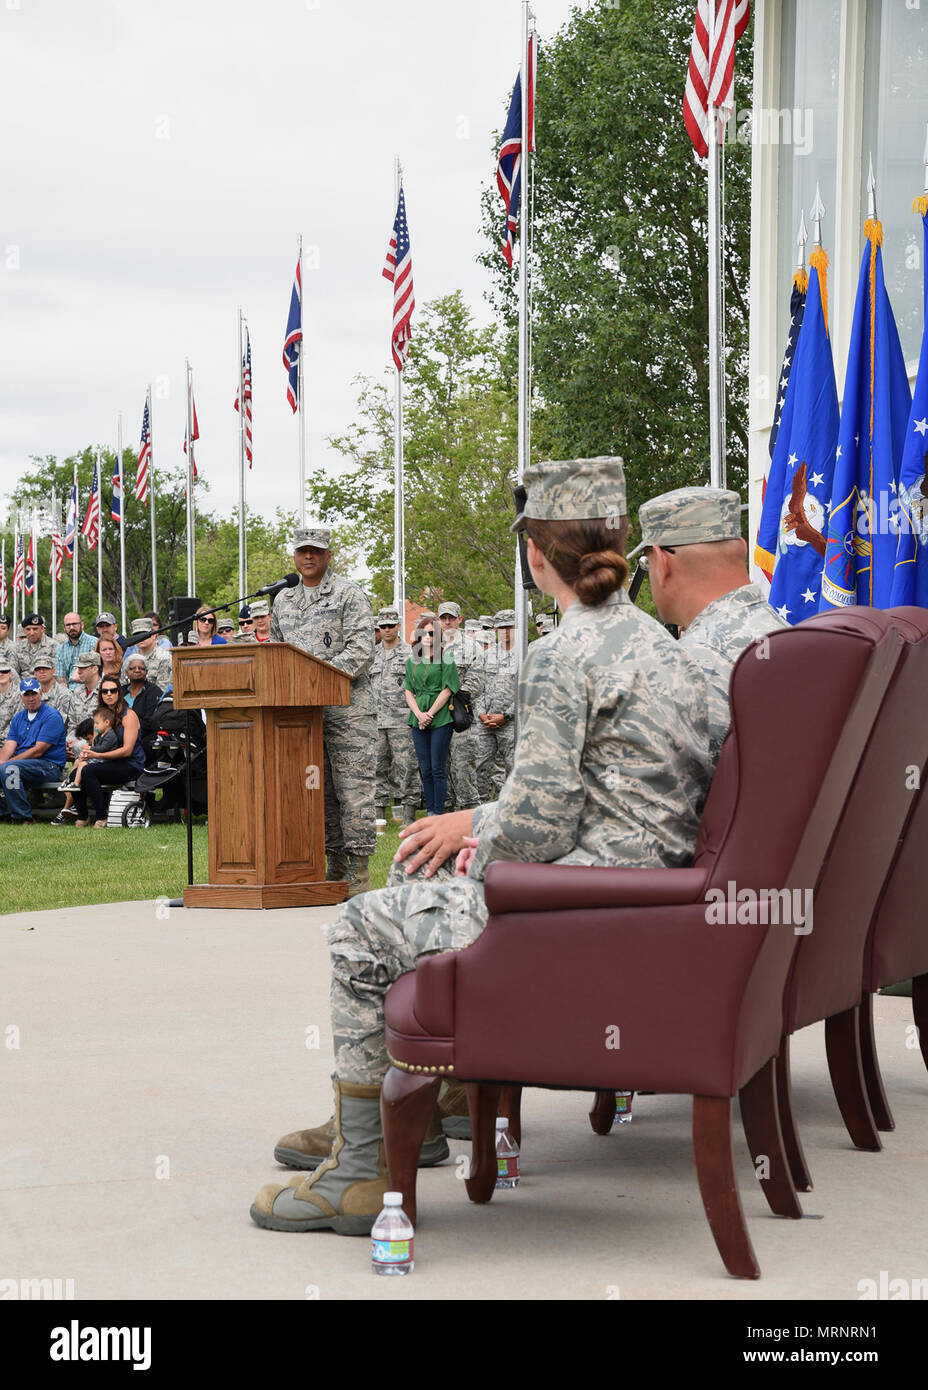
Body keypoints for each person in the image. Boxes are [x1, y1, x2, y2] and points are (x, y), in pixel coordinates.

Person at [250, 455, 714, 1236]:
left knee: (361, 924)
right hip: (641, 903)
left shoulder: (565, 654)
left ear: (536, 552)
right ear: (621, 541)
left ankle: (363, 1172)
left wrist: (478, 840)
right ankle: (426, 1116)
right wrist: (478, 830)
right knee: (421, 865)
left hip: (578, 912)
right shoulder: (660, 643)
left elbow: (536, 829)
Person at [631, 486, 789, 760]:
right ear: (741, 547)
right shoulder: (786, 633)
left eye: (648, 561)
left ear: (663, 563)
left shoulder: (687, 668)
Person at [269, 525, 377, 897]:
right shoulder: (283, 600)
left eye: (316, 551)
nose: (309, 557)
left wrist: (319, 679)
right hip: (304, 717)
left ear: (328, 555)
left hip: (349, 713)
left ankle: (359, 871)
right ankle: (333, 866)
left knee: (353, 792)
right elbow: (277, 653)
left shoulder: (349, 595)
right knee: (319, 791)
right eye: (303, 551)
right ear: (295, 557)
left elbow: (362, 650)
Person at [404, 614, 459, 819]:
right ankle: (429, 812)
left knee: (438, 768)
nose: (427, 637)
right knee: (425, 768)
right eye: (423, 633)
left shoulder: (446, 659)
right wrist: (419, 714)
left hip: (440, 717)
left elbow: (448, 689)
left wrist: (430, 714)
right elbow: (408, 690)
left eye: (432, 633)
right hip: (418, 718)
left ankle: (438, 812)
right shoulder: (412, 661)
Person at [71, 678, 144, 828]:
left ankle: (101, 816)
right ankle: (83, 816)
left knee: (89, 771)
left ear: (119, 693)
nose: (109, 694)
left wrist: (97, 756)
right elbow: (96, 745)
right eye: (105, 691)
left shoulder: (129, 715)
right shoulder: (99, 717)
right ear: (101, 694)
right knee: (74, 775)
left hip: (130, 763)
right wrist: (86, 755)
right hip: (108, 762)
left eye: (113, 690)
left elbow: (127, 750)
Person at [371, 606, 418, 826]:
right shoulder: (371, 654)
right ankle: (379, 815)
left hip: (402, 721)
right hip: (377, 721)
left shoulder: (410, 654)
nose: (387, 630)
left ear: (398, 626)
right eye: (383, 626)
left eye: (391, 625)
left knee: (406, 766)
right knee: (378, 767)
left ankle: (408, 815)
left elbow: (417, 687)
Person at [439, 601, 486, 813]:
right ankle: (445, 816)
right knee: (442, 768)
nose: (447, 622)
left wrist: (451, 699)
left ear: (459, 619)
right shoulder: (430, 645)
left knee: (463, 769)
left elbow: (476, 681)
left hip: (460, 716)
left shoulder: (471, 646)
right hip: (436, 717)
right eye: (443, 618)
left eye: (451, 617)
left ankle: (469, 816)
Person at [0, 679, 67, 825]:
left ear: (41, 693)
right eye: (27, 695)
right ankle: (5, 813)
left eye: (34, 694)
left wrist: (8, 763)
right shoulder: (18, 717)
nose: (31, 698)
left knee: (9, 768)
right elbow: (9, 746)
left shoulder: (51, 716)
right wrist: (1, 761)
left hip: (49, 766)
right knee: (6, 767)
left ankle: (23, 817)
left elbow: (38, 751)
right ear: (21, 697)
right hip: (24, 765)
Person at [474, 610, 518, 801]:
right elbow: (477, 687)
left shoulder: (525, 653)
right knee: (480, 765)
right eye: (500, 628)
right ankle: (481, 807)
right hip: (485, 722)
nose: (505, 632)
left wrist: (506, 715)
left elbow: (527, 690)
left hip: (511, 722)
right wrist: (482, 714)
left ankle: (507, 807)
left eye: (508, 627)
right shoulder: (486, 655)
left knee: (512, 766)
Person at [58, 706, 120, 793]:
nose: (95, 726)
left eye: (97, 723)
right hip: (98, 758)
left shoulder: (110, 735)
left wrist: (89, 748)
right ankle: (69, 781)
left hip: (105, 761)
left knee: (83, 764)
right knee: (77, 761)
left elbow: (102, 749)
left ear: (106, 722)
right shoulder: (100, 735)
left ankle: (76, 783)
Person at [121, 618, 173, 687]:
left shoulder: (164, 658)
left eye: (144, 634)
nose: (141, 638)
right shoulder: (129, 660)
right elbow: (123, 686)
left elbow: (162, 689)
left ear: (154, 635)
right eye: (137, 635)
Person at [55, 612, 97, 689]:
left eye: (74, 624)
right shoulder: (61, 649)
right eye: (68, 625)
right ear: (64, 628)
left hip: (89, 689)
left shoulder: (94, 643)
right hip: (68, 692)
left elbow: (95, 674)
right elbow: (60, 678)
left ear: (82, 625)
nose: (71, 628)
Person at [32, 657, 73, 729]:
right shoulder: (30, 693)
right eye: (38, 669)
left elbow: (59, 723)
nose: (42, 671)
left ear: (53, 671)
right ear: (35, 674)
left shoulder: (64, 694)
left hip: (53, 735)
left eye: (46, 668)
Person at [18, 613, 59, 677]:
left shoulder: (53, 645)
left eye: (35, 629)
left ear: (42, 629)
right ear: (24, 631)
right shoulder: (18, 647)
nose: (32, 633)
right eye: (28, 629)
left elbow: (56, 671)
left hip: (45, 684)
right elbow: (13, 672)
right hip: (23, 684)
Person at [0, 658, 21, 739]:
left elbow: (16, 724)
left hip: (10, 740)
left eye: (4, 672)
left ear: (10, 674)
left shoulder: (19, 694)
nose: (1, 674)